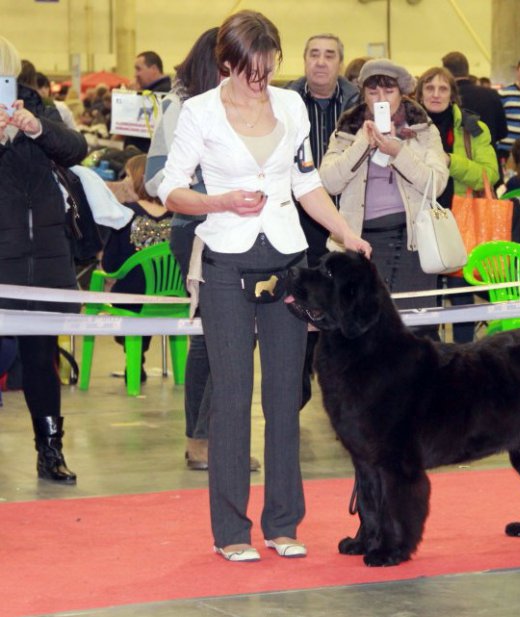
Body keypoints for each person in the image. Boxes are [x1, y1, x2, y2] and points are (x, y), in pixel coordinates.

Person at [158, 10, 371, 562]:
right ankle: (231, 531)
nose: (261, 79)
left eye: (269, 67)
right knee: (231, 398)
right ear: (228, 64)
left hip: (287, 261)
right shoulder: (199, 112)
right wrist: (220, 201)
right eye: (251, 70)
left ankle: (283, 523)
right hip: (225, 262)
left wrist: (344, 231)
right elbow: (170, 190)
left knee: (284, 397)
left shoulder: (292, 106)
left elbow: (306, 182)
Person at [144, 27, 244, 472]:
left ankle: (207, 439)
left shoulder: (239, 105)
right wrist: (210, 185)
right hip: (198, 230)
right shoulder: (181, 107)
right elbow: (154, 179)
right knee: (216, 339)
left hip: (236, 231)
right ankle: (203, 439)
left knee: (220, 339)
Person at [0, 35, 87, 484]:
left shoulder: (36, 106)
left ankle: (50, 450)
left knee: (41, 360)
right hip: (5, 257)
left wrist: (36, 128)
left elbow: (76, 149)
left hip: (47, 258)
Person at [319, 58, 448, 339]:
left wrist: (398, 152)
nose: (381, 98)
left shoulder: (423, 129)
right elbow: (328, 181)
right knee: (364, 333)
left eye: (388, 91)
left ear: (402, 93)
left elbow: (436, 183)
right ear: (363, 95)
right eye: (373, 91)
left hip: (413, 244)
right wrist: (362, 145)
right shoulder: (347, 130)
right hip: (361, 244)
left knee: (416, 333)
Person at [286, 33, 360, 408]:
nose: (320, 61)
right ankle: (296, 391)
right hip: (295, 220)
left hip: (343, 219)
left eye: (329, 55)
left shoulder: (358, 104)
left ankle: (345, 396)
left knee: (340, 311)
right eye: (314, 54)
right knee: (299, 307)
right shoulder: (284, 102)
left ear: (339, 63)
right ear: (304, 60)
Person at [415, 66, 499, 343]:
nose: (436, 94)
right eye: (430, 88)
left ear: (452, 94)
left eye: (443, 89)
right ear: (419, 93)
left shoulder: (473, 129)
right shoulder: (406, 127)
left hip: (461, 222)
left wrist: (451, 161)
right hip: (418, 221)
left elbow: (490, 174)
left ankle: (465, 356)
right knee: (425, 297)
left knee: (460, 293)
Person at [102, 154, 172, 383]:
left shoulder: (125, 212)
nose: (124, 181)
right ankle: (137, 352)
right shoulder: (178, 214)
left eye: (127, 176)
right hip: (174, 298)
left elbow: (110, 264)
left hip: (132, 299)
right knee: (148, 296)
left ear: (139, 180)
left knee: (132, 293)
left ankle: (133, 353)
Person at [441, 51, 507, 163]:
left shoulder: (446, 98)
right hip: (489, 162)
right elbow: (502, 133)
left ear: (446, 73)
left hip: (457, 164)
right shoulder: (492, 95)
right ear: (467, 69)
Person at [125, 51, 171, 152]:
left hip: (146, 152)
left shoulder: (163, 93)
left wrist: (134, 96)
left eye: (138, 69)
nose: (135, 74)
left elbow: (139, 124)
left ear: (154, 69)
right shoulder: (151, 91)